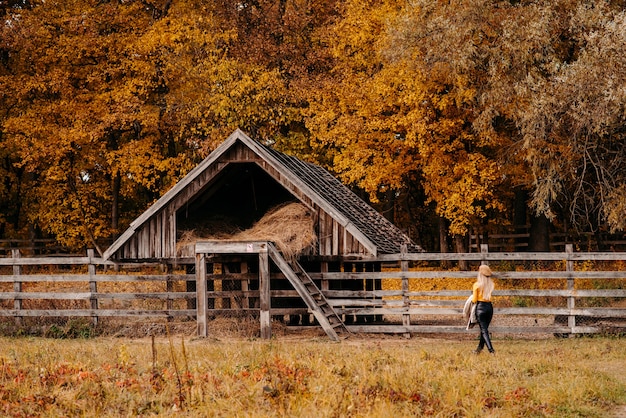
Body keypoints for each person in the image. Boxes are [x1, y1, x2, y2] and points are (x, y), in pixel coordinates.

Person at [472, 264, 495, 354]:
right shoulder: (491, 285)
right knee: (484, 329)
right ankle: (479, 349)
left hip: (481, 308)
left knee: (484, 330)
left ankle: (491, 350)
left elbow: (474, 300)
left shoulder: (476, 285)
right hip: (489, 307)